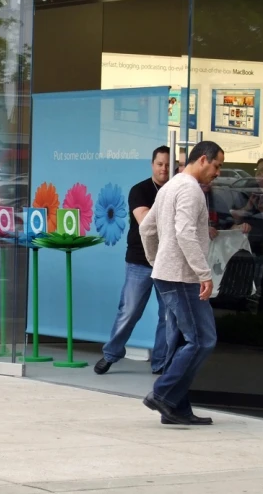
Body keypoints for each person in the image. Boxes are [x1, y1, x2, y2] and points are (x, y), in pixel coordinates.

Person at [139, 140, 224, 426]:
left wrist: (156, 260)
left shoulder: (169, 187)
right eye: (217, 165)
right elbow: (186, 233)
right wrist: (204, 273)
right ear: (203, 160)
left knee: (182, 342)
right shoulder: (189, 189)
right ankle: (163, 394)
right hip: (182, 276)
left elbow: (146, 228)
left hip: (168, 273)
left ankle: (177, 408)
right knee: (202, 340)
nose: (218, 172)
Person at [94, 146, 170, 376]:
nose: (164, 169)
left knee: (168, 315)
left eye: (168, 165)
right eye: (160, 164)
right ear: (152, 164)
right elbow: (145, 221)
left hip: (168, 262)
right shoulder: (140, 190)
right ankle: (110, 355)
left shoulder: (178, 190)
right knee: (130, 311)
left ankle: (161, 363)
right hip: (140, 261)